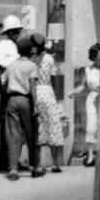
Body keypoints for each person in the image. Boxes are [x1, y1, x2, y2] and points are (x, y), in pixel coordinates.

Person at [3, 36, 45, 180]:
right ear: (30, 51)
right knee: (31, 133)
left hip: (12, 99)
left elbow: (3, 83)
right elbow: (33, 87)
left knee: (13, 134)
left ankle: (13, 169)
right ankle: (35, 166)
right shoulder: (31, 66)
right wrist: (36, 105)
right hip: (26, 100)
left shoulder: (11, 65)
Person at [28, 32, 65, 173]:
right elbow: (55, 78)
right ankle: (55, 163)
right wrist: (58, 98)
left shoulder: (31, 60)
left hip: (35, 92)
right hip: (48, 92)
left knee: (38, 127)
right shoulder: (49, 58)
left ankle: (37, 163)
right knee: (53, 125)